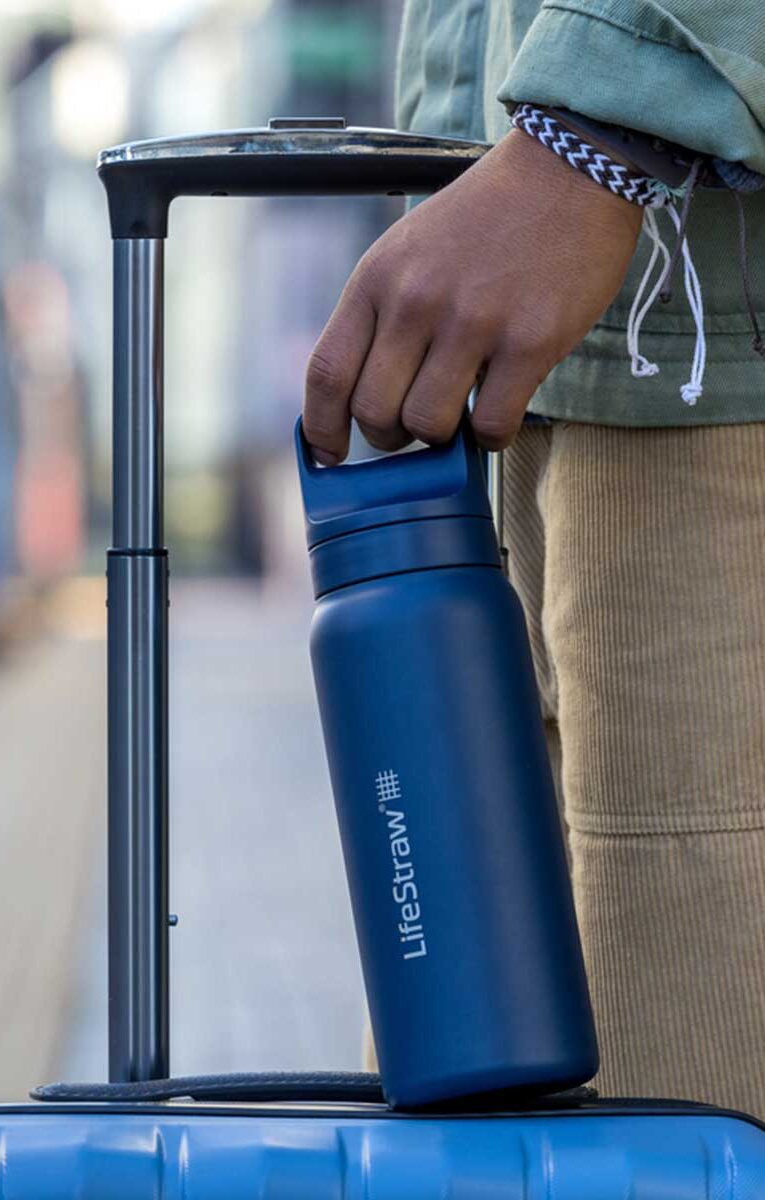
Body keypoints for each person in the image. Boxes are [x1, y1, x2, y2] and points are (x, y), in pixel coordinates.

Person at [302, 1, 765, 1117]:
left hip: (705, 364)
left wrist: (592, 132)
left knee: (694, 1111)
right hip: (527, 373)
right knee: (471, 1102)